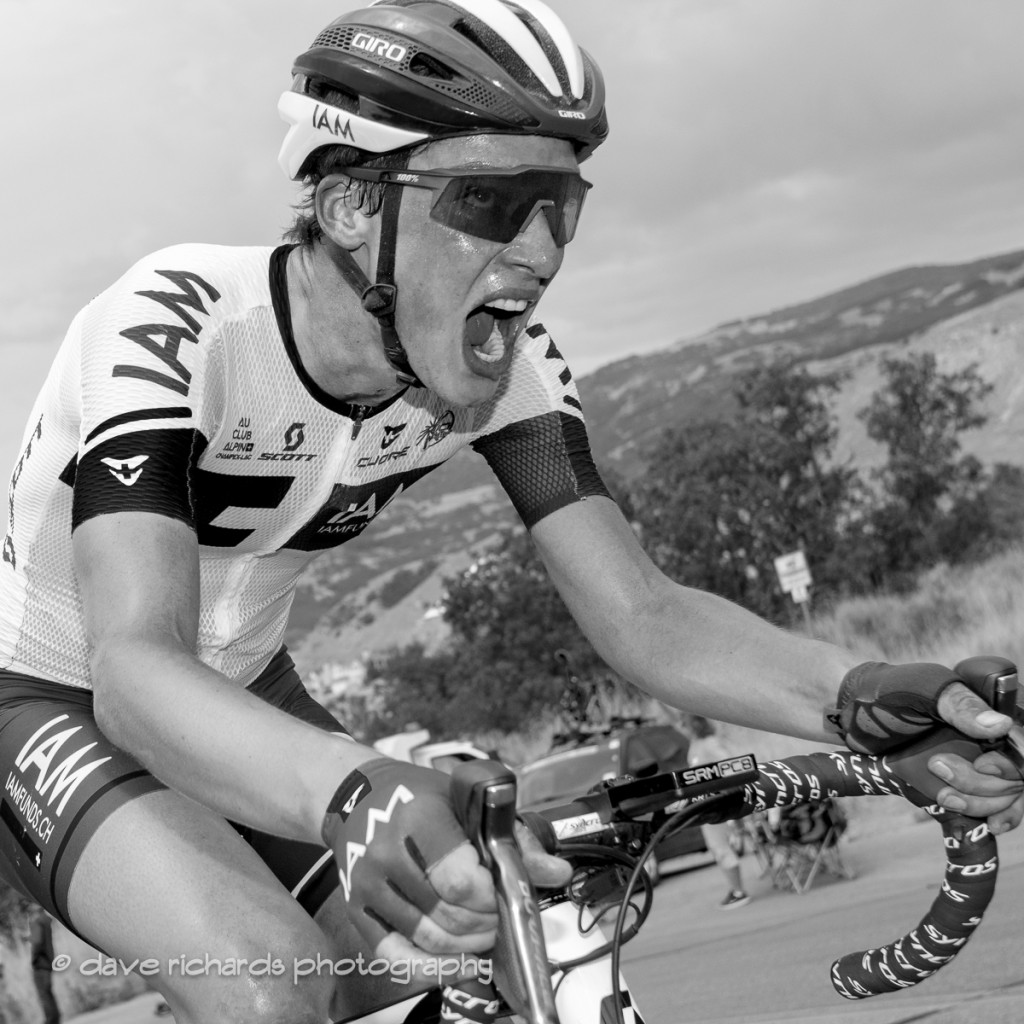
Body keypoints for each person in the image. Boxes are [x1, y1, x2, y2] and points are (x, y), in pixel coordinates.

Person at [0, 2, 1020, 1021]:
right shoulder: (178, 322)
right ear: (353, 206)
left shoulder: (507, 367)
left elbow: (645, 614)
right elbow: (133, 671)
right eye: (493, 202)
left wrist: (861, 696)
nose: (538, 252)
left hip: (249, 693)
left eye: (563, 205)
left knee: (470, 949)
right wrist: (358, 785)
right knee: (272, 986)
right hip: (53, 694)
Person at [686, 717, 750, 909]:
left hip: (718, 801)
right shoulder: (695, 743)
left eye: (684, 722)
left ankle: (739, 891)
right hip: (705, 802)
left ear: (694, 724)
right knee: (716, 847)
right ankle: (734, 889)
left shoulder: (709, 743)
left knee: (720, 846)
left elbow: (730, 765)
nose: (681, 726)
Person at [29, 910, 61, 1024]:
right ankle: (55, 1019)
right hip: (48, 963)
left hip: (40, 964)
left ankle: (50, 1020)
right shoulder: (46, 920)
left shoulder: (37, 921)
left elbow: (37, 942)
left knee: (44, 996)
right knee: (48, 994)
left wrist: (33, 959)